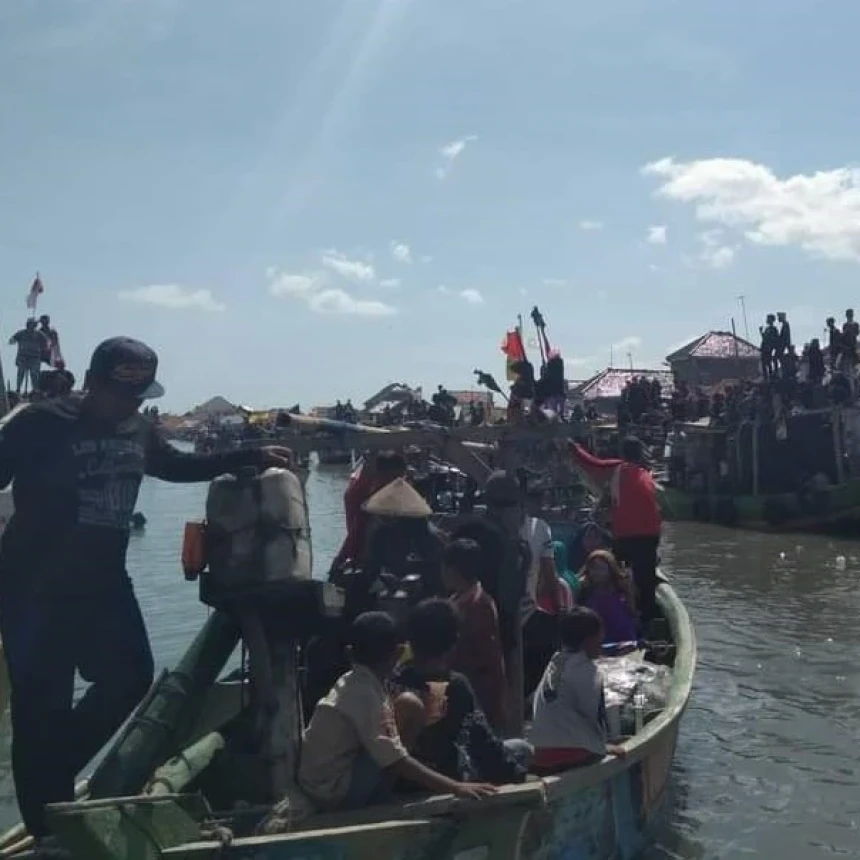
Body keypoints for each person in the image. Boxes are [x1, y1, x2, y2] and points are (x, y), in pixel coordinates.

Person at [0, 336, 293, 844]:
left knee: (131, 676)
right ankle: (49, 830)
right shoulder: (40, 423)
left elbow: (173, 465)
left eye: (137, 398)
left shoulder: (137, 428)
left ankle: (55, 763)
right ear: (90, 382)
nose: (128, 406)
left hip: (104, 584)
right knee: (39, 708)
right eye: (118, 394)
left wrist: (243, 455)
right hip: (34, 590)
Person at [298, 611, 497, 811]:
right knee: (411, 706)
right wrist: (456, 787)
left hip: (320, 784)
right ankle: (380, 797)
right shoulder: (366, 694)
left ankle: (382, 792)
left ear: (350, 653)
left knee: (403, 707)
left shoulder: (353, 681)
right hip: (332, 793)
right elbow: (395, 760)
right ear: (398, 653)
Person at [393, 599, 529, 785]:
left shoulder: (395, 677)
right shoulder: (455, 685)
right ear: (453, 642)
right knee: (523, 749)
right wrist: (519, 775)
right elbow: (482, 742)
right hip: (444, 776)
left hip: (401, 778)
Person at [568, 437, 662, 625]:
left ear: (623, 453)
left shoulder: (619, 468)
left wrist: (574, 448)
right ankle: (649, 620)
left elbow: (592, 464)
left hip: (628, 536)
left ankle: (614, 610)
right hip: (651, 536)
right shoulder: (646, 474)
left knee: (612, 572)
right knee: (646, 581)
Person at [528, 607, 626, 775]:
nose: (601, 644)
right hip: (571, 755)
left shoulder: (556, 661)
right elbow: (593, 716)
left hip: (540, 754)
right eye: (599, 639)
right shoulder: (588, 671)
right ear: (587, 641)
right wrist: (604, 746)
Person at [442, 539, 508, 731]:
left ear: (452, 569)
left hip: (478, 693)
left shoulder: (478, 605)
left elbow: (482, 658)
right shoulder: (457, 598)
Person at [330, 451, 407, 571]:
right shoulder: (362, 497)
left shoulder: (401, 496)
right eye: (394, 478)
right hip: (361, 559)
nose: (398, 483)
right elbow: (356, 533)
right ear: (381, 475)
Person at [577, 550, 638, 644]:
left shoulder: (621, 589)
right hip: (596, 640)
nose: (597, 572)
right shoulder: (585, 591)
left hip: (622, 639)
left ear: (611, 570)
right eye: (593, 568)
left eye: (601, 568)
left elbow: (631, 611)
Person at [9, 319, 47, 395]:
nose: (31, 327)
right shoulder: (21, 333)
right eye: (30, 325)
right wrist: (13, 340)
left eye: (33, 325)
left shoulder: (39, 334)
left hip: (34, 358)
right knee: (21, 373)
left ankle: (35, 390)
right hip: (23, 357)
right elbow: (12, 340)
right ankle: (18, 389)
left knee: (34, 374)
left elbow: (46, 343)